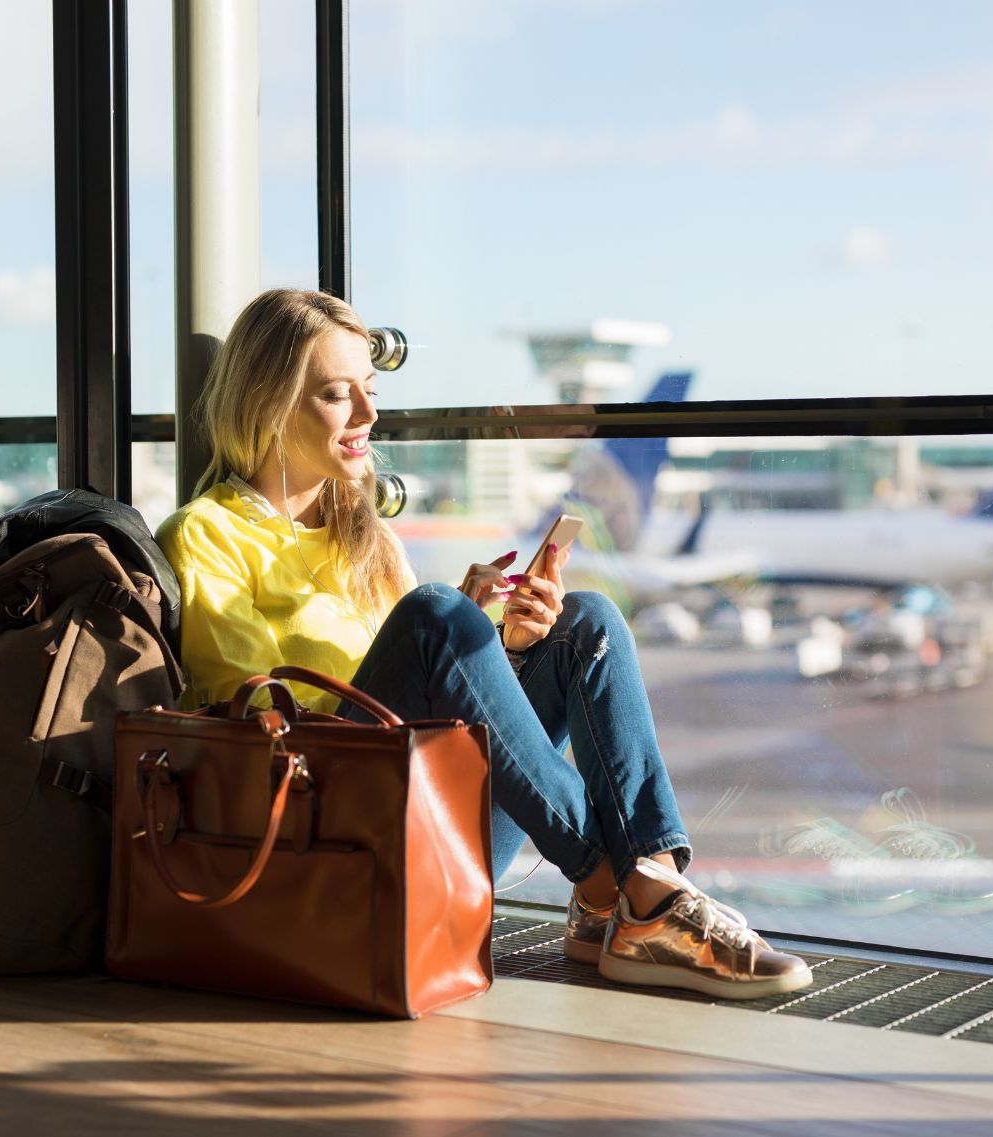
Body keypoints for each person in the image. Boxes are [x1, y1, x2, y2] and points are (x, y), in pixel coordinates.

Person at [156, 288, 812, 999]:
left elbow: (422, 710)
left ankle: (618, 902)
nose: (369, 416)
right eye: (336, 394)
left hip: (417, 810)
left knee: (584, 623)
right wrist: (440, 631)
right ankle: (622, 889)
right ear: (269, 401)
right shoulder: (206, 533)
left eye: (369, 391)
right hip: (326, 837)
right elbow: (256, 736)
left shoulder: (362, 537)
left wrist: (496, 648)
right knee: (436, 611)